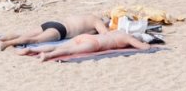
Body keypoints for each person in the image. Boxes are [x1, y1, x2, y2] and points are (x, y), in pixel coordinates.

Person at [0, 16, 108, 50]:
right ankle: (5, 44)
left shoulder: (87, 16)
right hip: (61, 31)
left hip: (53, 23)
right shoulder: (97, 21)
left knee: (24, 34)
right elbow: (105, 35)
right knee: (34, 41)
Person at [17, 30, 152, 62]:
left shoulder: (116, 31)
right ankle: (47, 56)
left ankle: (30, 49)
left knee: (61, 45)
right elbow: (143, 47)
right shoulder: (126, 37)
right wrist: (146, 45)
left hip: (87, 37)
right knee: (69, 51)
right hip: (95, 44)